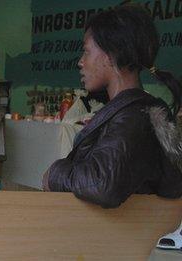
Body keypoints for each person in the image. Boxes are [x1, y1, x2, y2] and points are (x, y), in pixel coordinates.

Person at [42, 4, 182, 208]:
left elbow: (102, 184)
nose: (81, 62)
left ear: (111, 55)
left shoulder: (134, 117)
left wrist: (55, 173)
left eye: (87, 51)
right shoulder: (134, 111)